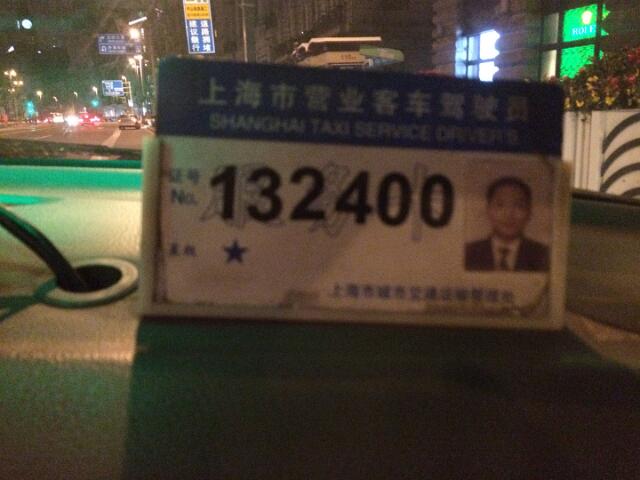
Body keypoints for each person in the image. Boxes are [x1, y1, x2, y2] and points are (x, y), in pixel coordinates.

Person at [465, 176, 549, 272]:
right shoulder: (468, 253)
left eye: (519, 206)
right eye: (500, 205)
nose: (509, 215)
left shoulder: (544, 255)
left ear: (529, 212)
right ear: (488, 210)